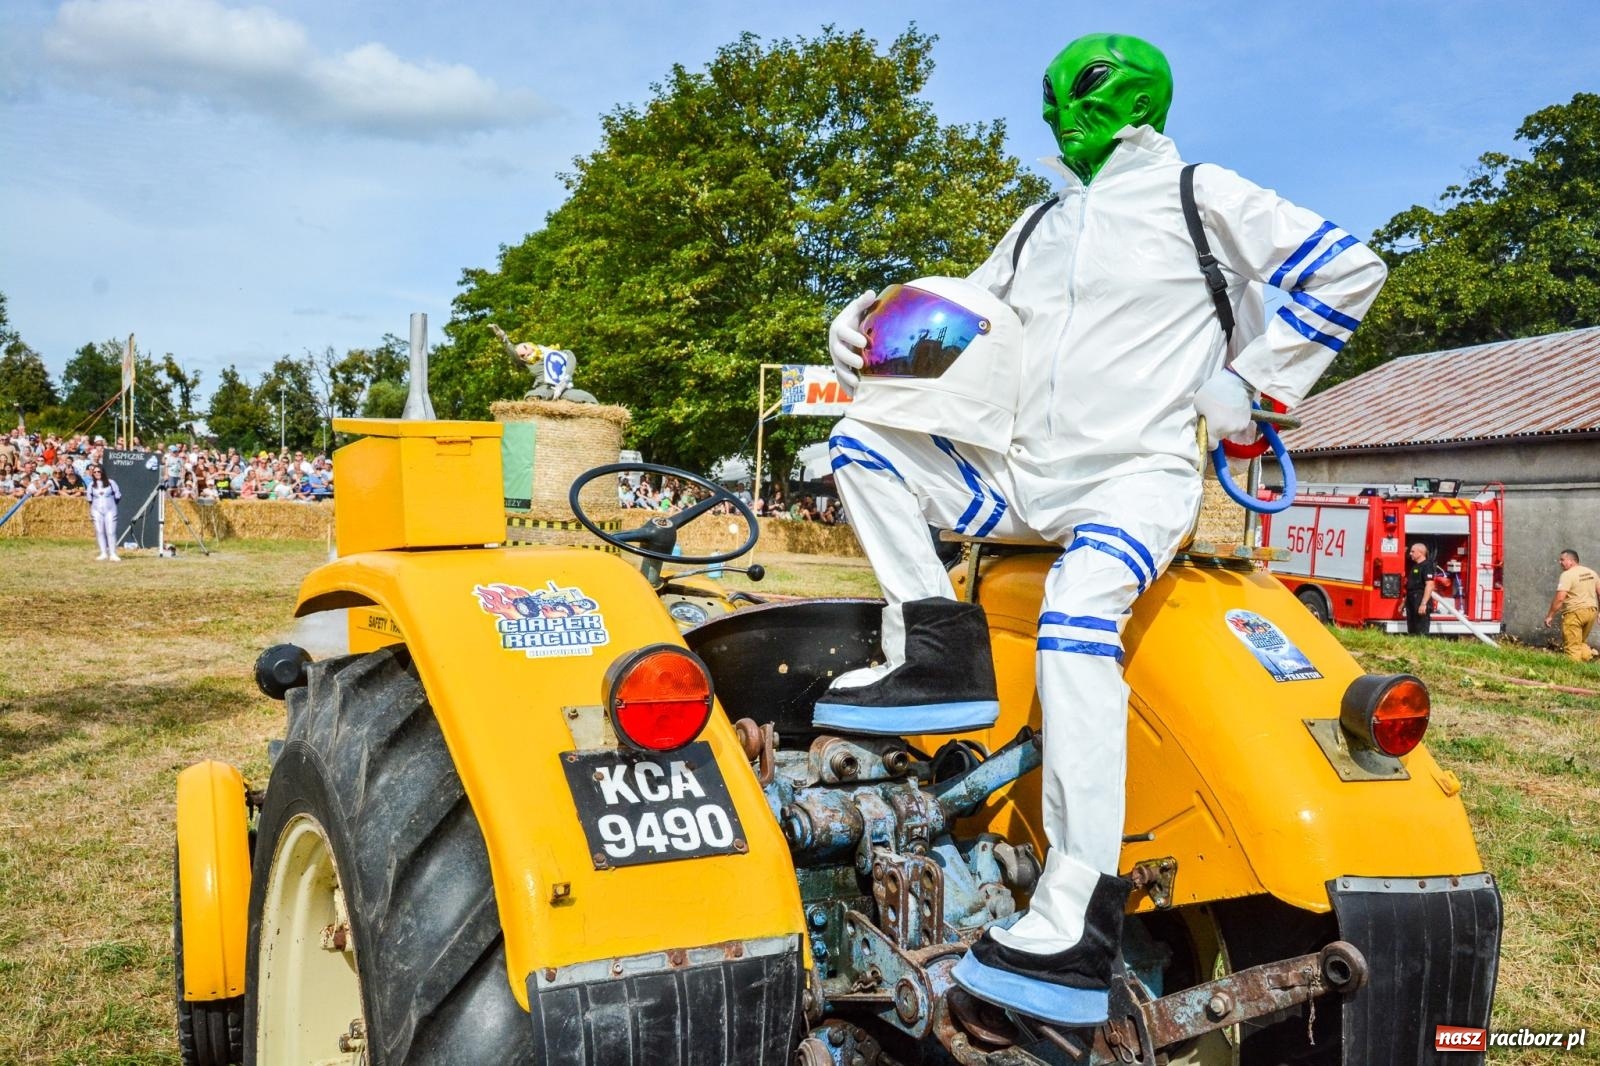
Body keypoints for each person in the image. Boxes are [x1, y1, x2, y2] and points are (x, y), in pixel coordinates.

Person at [820, 32, 1387, 1026]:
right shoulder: (1041, 221)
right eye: (1047, 98)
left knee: (1077, 625)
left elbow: (1347, 268)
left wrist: (1251, 382)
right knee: (859, 441)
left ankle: (1074, 907)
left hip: (1135, 476)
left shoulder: (1198, 194)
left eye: (1072, 95)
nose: (1054, 115)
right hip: (1022, 476)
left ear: (1129, 99)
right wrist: (870, 329)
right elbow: (969, 318)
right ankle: (937, 645)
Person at [1544, 549, 1599, 662]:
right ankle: (1587, 658)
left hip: (1575, 613)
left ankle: (1572, 671)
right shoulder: (1591, 573)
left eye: (1562, 560)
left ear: (1572, 561)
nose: (1560, 562)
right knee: (1580, 642)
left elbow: (1560, 598)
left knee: (1572, 646)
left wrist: (1550, 615)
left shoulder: (1567, 575)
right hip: (1591, 612)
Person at [86, 463, 121, 561]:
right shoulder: (91, 485)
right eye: (95, 472)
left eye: (99, 471)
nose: (97, 473)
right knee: (99, 531)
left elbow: (118, 496)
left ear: (103, 472)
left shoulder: (111, 483)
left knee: (111, 531)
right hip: (96, 510)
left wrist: (112, 505)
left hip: (110, 510)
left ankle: (113, 553)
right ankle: (103, 553)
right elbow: (89, 499)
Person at [1402, 542, 1438, 636]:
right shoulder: (1415, 566)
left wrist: (1423, 604)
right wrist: (1403, 603)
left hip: (1420, 598)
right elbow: (1411, 587)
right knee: (1412, 628)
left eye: (1412, 551)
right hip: (1411, 599)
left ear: (1420, 552)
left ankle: (1422, 646)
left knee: (1421, 628)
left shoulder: (1427, 566)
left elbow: (1430, 585)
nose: (1410, 553)